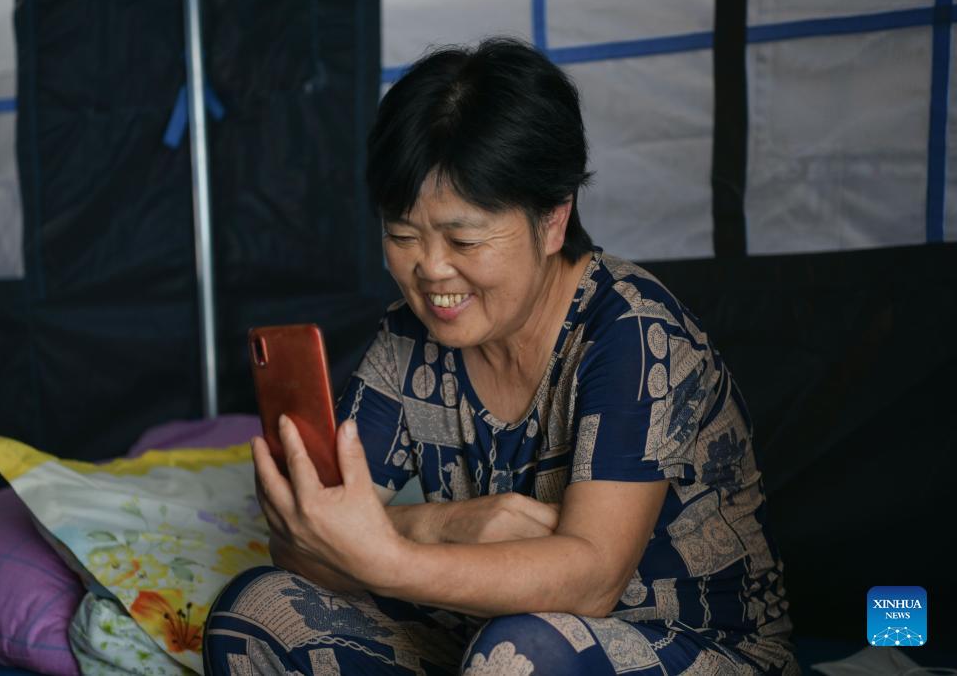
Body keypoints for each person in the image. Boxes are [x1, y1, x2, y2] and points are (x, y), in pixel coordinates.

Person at [204, 37, 799, 675]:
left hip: (691, 647)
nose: (430, 269)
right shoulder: (409, 340)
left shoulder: (634, 335)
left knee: (516, 655)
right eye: (402, 235)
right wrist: (445, 525)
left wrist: (386, 552)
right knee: (258, 611)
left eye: (463, 237)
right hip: (483, 635)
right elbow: (302, 543)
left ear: (552, 220)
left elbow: (591, 581)